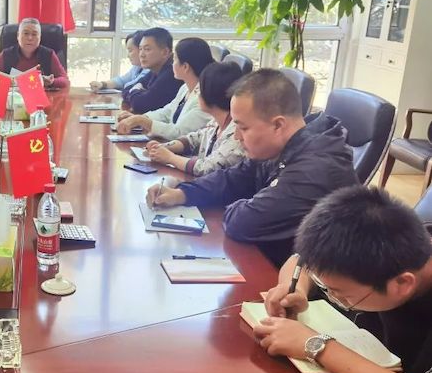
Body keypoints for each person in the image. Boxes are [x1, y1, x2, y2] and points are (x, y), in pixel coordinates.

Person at [256, 186, 432, 373]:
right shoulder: (386, 244)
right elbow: (302, 261)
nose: (333, 295)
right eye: (324, 286)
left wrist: (315, 345)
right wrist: (295, 287)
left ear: (402, 284)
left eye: (342, 295)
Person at [146, 68, 357, 267]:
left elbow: (243, 223)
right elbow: (234, 177)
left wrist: (246, 202)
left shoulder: (314, 169)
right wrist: (182, 193)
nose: (237, 136)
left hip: (296, 280)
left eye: (243, 128)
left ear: (278, 125)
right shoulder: (283, 146)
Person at [143, 62, 246, 177]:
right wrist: (164, 147)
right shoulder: (216, 122)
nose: (196, 92)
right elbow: (194, 139)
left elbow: (208, 168)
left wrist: (170, 158)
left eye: (200, 89)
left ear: (212, 93)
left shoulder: (237, 133)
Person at [116, 37, 214, 140]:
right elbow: (167, 112)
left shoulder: (205, 97)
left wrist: (142, 121)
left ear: (185, 67)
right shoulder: (185, 87)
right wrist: (140, 118)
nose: (172, 64)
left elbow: (179, 132)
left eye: (174, 60)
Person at [0, 18, 70, 89]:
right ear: (18, 35)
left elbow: (65, 81)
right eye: (26, 33)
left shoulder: (49, 54)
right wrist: (7, 81)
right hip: (14, 97)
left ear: (40, 37)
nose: (30, 38)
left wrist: (52, 82)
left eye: (34, 34)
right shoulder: (6, 54)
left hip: (41, 98)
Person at [120, 27, 184, 113]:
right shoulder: (154, 70)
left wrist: (135, 90)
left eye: (147, 49)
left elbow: (140, 105)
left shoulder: (171, 74)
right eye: (140, 49)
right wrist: (138, 92)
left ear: (165, 52)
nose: (141, 55)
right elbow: (126, 90)